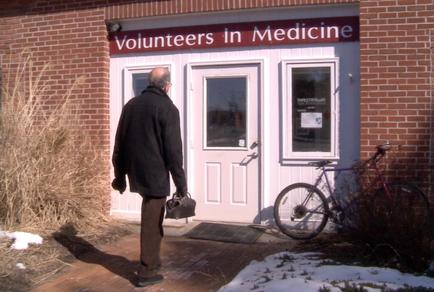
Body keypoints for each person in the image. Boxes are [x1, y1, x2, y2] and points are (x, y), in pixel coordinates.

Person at [111, 67, 187, 287]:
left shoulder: (131, 105)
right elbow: (173, 152)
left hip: (136, 170)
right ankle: (146, 271)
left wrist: (120, 176)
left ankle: (153, 261)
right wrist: (181, 185)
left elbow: (119, 144)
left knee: (152, 217)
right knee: (152, 222)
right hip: (154, 174)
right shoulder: (167, 108)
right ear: (167, 85)